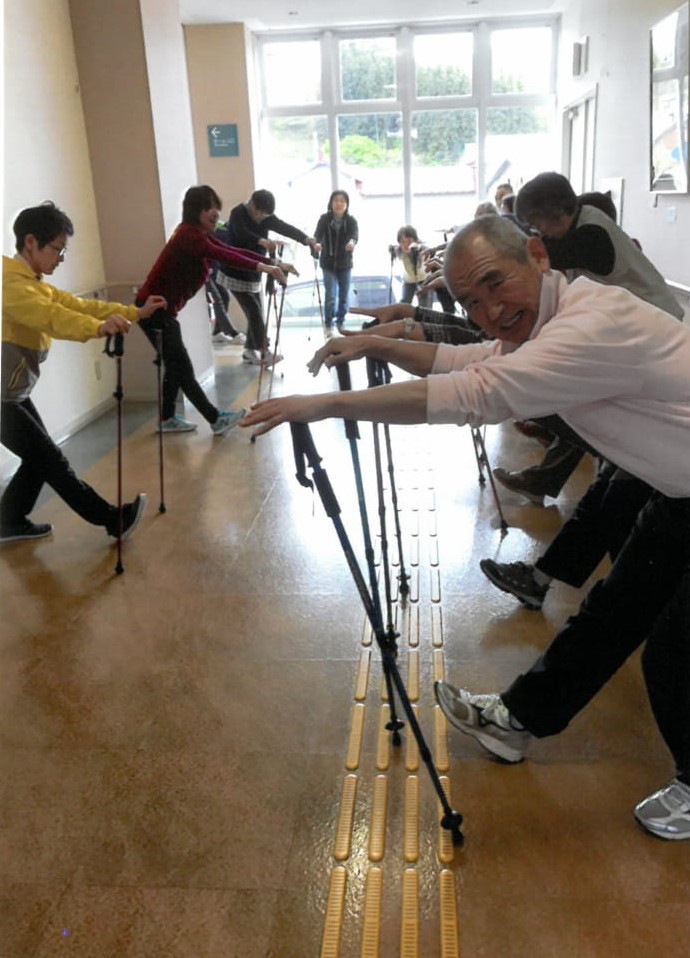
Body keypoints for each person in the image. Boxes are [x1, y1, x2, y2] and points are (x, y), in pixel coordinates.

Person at [241, 215, 690, 840]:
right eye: (471, 301)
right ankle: (517, 721)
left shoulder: (591, 325)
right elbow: (471, 355)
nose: (490, 311)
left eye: (495, 284)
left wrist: (323, 404)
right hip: (679, 491)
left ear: (536, 253)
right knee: (614, 611)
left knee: (674, 648)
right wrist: (378, 345)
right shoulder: (554, 314)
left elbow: (473, 392)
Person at [493, 177, 683, 504]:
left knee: (587, 403)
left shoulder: (591, 236)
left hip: (652, 338)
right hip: (635, 336)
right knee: (586, 403)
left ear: (553, 214)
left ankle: (548, 470)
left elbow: (543, 254)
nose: (539, 232)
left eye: (538, 224)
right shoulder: (586, 221)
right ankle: (546, 474)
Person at [1, 201, 165, 543]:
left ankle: (8, 521)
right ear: (31, 242)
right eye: (57, 250)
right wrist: (98, 328)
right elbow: (52, 317)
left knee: (39, 458)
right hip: (2, 399)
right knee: (51, 460)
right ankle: (110, 519)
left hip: (12, 393)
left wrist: (134, 312)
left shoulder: (32, 281)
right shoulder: (11, 286)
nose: (60, 259)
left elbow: (78, 305)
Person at [137, 185, 287, 435]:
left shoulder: (199, 233)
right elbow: (223, 255)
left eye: (216, 206)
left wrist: (271, 263)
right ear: (195, 210)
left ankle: (166, 419)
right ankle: (215, 418)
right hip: (153, 311)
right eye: (208, 208)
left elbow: (229, 250)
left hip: (162, 311)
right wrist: (265, 268)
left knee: (175, 367)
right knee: (182, 367)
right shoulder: (189, 235)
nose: (215, 212)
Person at [216, 189, 317, 364]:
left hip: (255, 270)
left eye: (266, 215)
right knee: (254, 311)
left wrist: (306, 239)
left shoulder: (266, 216)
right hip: (234, 271)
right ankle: (264, 351)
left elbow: (284, 227)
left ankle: (249, 350)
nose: (263, 217)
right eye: (260, 213)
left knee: (255, 311)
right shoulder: (238, 213)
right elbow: (241, 234)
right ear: (253, 205)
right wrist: (261, 241)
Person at [313, 190, 358, 333]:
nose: (339, 204)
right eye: (336, 200)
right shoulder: (324, 219)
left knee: (344, 295)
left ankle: (340, 321)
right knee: (330, 294)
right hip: (327, 263)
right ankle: (328, 322)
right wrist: (317, 244)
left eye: (342, 201)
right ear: (331, 203)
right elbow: (317, 235)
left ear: (346, 205)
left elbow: (354, 236)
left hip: (345, 263)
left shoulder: (351, 220)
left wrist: (351, 243)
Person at [389, 226, 434, 311]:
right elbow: (393, 249)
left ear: (415, 240)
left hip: (424, 279)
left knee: (425, 305)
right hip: (408, 280)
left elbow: (425, 255)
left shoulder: (422, 249)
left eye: (409, 241)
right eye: (402, 241)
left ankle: (424, 323)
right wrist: (391, 250)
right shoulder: (399, 250)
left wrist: (414, 251)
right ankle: (403, 321)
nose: (406, 244)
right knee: (404, 302)